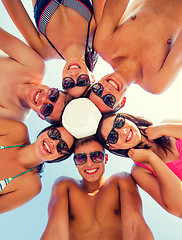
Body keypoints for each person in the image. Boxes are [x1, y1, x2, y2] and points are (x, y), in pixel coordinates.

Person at [41, 135, 154, 240]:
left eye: (96, 156)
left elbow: (136, 227)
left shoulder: (120, 180)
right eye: (81, 158)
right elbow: (54, 232)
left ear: (105, 159)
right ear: (75, 163)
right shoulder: (65, 186)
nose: (89, 163)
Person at [85, 0, 182, 112]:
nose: (106, 89)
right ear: (122, 102)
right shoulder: (156, 83)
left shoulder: (104, 44)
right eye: (109, 100)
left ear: (95, 81)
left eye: (97, 89)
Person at [2, 0, 106, 98]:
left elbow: (12, 4)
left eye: (68, 83)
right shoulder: (97, 31)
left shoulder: (43, 50)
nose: (74, 75)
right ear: (92, 77)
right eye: (82, 81)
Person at [96, 112, 182, 218]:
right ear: (113, 147)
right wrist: (152, 158)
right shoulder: (140, 171)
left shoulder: (168, 125)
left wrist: (162, 129)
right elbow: (179, 208)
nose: (123, 131)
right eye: (113, 136)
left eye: (119, 122)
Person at [0, 118, 75, 214]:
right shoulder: (16, 131)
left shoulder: (30, 186)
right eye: (54, 134)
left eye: (62, 147)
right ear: (45, 131)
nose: (54, 143)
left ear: (58, 158)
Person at [0, 27, 73, 123]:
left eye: (47, 109)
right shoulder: (35, 67)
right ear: (52, 87)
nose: (44, 99)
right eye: (53, 95)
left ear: (40, 116)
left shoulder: (15, 116)